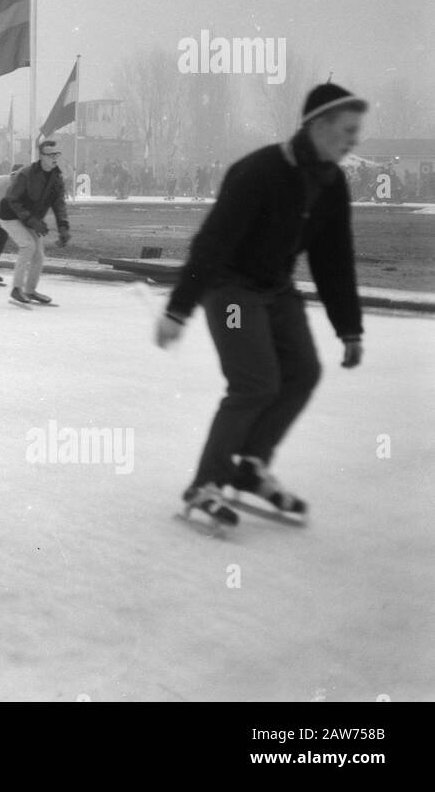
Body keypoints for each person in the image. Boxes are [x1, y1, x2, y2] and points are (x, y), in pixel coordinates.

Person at [156, 83, 367, 528]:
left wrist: (349, 327)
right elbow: (212, 242)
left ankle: (250, 465)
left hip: (276, 289)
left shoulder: (331, 183)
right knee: (254, 382)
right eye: (347, 130)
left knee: (303, 372)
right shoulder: (259, 171)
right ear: (319, 125)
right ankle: (206, 482)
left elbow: (334, 260)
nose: (354, 140)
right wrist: (178, 309)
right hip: (230, 292)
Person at [0, 140, 71, 306]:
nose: (54, 158)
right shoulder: (26, 174)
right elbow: (13, 200)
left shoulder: (56, 178)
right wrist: (32, 220)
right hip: (9, 215)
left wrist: (63, 228)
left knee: (38, 255)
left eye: (56, 154)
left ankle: (30, 290)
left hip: (30, 218)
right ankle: (17, 288)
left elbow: (59, 205)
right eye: (50, 154)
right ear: (41, 156)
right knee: (28, 246)